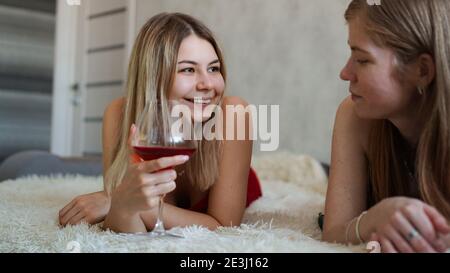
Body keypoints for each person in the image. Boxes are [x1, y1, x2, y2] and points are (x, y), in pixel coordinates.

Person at [58, 12, 262, 232]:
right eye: (188, 69)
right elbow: (125, 227)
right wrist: (123, 206)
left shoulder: (234, 113)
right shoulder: (118, 113)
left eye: (213, 68)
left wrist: (117, 202)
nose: (207, 84)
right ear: (153, 76)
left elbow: (225, 227)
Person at [323, 0, 450, 253]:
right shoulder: (354, 116)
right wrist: (374, 218)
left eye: (362, 59)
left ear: (422, 70)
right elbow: (333, 232)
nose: (345, 73)